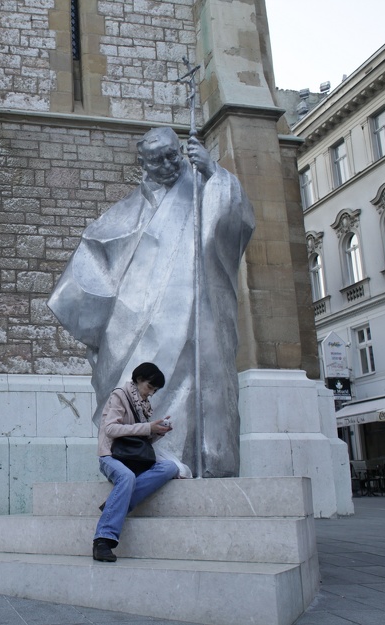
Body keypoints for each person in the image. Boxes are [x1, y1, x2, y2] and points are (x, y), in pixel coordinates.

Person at [48, 127, 254, 477]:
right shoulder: (131, 206)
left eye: (173, 155)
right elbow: (99, 247)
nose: (169, 165)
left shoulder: (203, 186)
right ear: (143, 164)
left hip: (195, 312)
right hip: (135, 317)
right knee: (136, 381)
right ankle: (143, 456)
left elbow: (236, 223)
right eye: (158, 160)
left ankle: (192, 458)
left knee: (191, 381)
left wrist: (212, 172)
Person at [93, 362, 180, 562]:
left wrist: (158, 432)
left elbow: (138, 442)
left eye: (155, 390)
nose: (151, 393)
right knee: (127, 477)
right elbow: (111, 429)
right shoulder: (120, 395)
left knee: (170, 467)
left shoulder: (144, 406)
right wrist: (148, 427)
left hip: (134, 459)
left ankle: (115, 504)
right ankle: (102, 541)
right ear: (139, 379)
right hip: (111, 456)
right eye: (149, 387)